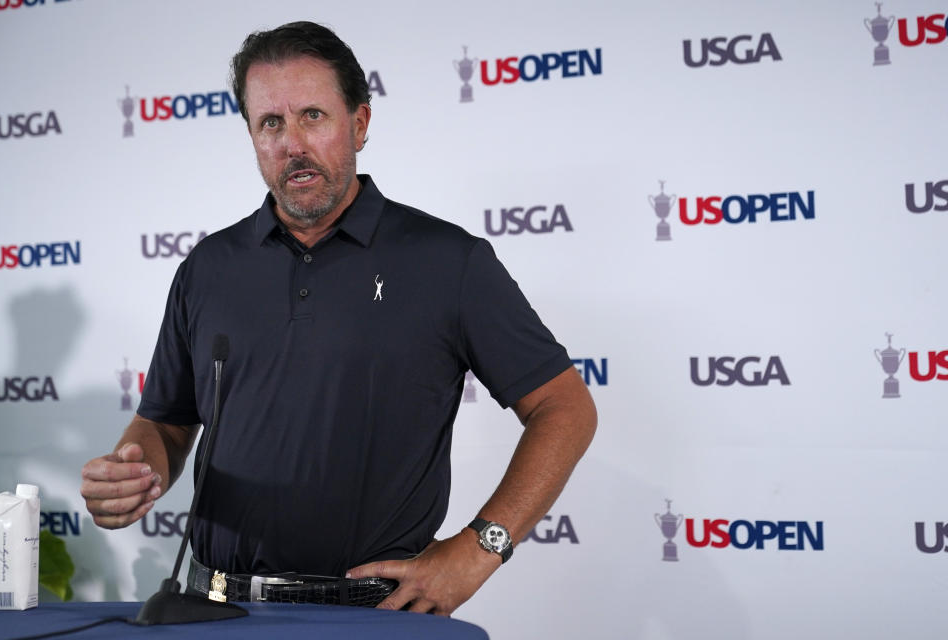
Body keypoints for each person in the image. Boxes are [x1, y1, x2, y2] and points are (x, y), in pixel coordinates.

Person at [80, 21, 596, 616]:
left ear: (360, 123)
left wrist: (479, 549)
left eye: (313, 116)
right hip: (215, 610)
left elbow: (565, 407)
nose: (292, 143)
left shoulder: (447, 260)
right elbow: (167, 423)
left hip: (375, 615)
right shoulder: (209, 266)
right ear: (251, 135)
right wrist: (134, 472)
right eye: (270, 123)